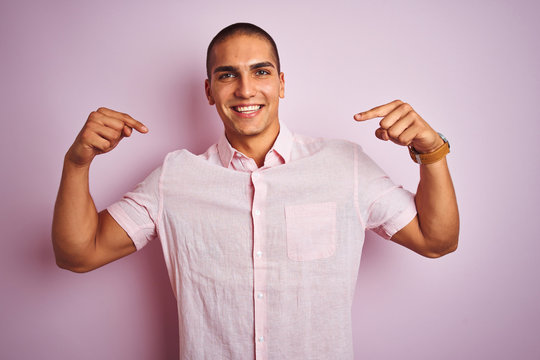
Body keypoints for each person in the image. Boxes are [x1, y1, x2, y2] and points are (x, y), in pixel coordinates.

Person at [52, 23, 459, 359]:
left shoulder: (343, 166)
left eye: (261, 72)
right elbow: (78, 253)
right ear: (209, 91)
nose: (245, 89)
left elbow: (437, 240)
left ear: (281, 84)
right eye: (227, 74)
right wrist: (77, 163)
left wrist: (432, 152)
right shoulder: (175, 178)